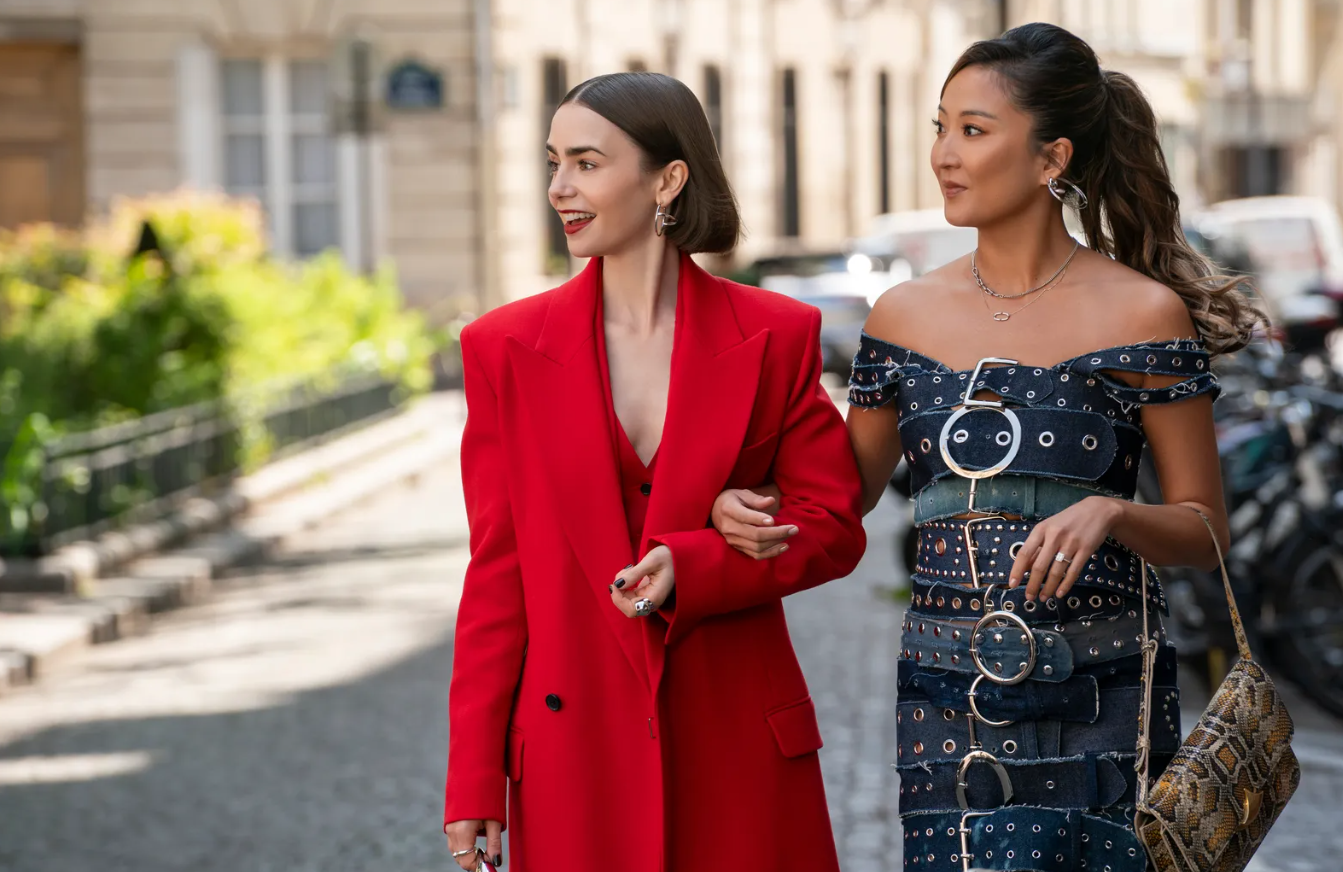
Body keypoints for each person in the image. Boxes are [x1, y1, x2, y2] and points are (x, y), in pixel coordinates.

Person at [711, 23, 1262, 871]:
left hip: (1106, 685)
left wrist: (1111, 513)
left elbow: (1205, 529)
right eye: (940, 127)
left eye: (972, 130)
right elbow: (838, 494)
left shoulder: (1143, 313)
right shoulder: (901, 317)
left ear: (1051, 158)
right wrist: (738, 504)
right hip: (945, 692)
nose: (944, 154)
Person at [442, 72, 867, 872]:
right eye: (553, 163)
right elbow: (497, 572)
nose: (558, 188)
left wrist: (696, 562)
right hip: (573, 752)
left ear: (667, 179)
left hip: (736, 743)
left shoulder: (775, 334)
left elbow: (833, 525)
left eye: (586, 163)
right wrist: (473, 778)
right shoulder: (502, 348)